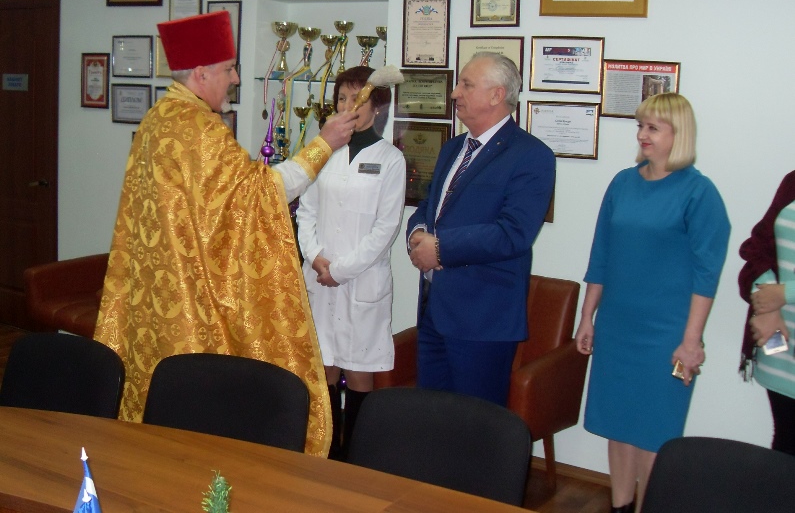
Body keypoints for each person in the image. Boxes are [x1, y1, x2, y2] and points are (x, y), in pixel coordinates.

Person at [93, 11, 358, 457]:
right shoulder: (197, 128)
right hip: (189, 304)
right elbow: (262, 193)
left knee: (156, 427)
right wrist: (323, 144)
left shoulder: (159, 118)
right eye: (229, 69)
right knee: (197, 429)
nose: (235, 78)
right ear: (201, 73)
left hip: (153, 298)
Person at [574, 92, 730, 512]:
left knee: (653, 433)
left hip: (666, 335)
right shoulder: (623, 183)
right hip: (617, 327)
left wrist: (691, 341)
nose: (643, 135)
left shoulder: (699, 193)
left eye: (653, 128)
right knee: (619, 427)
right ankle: (621, 506)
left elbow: (707, 275)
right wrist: (587, 317)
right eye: (640, 126)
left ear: (679, 135)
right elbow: (601, 256)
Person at [407, 52, 555, 406]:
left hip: (483, 319)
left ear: (496, 95)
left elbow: (513, 233)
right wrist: (417, 233)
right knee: (431, 419)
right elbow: (430, 206)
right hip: (434, 310)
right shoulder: (453, 148)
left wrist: (440, 248)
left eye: (466, 85)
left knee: (474, 426)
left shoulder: (531, 155)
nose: (455, 92)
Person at [296, 66, 406, 459]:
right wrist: (315, 257)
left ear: (377, 108)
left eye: (357, 99)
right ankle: (325, 452)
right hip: (319, 277)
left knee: (359, 371)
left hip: (361, 281)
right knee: (324, 367)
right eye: (342, 98)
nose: (347, 106)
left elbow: (386, 228)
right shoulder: (323, 152)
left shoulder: (391, 160)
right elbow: (306, 211)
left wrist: (340, 270)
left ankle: (355, 459)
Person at [738, 171, 795, 456]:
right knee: (786, 443)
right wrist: (766, 303)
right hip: (780, 346)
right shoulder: (793, 182)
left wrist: (785, 294)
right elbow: (758, 247)